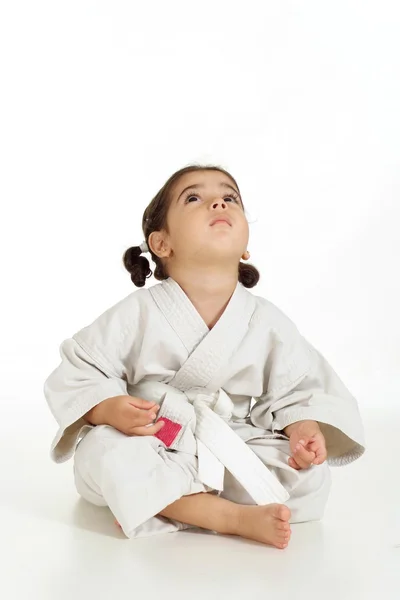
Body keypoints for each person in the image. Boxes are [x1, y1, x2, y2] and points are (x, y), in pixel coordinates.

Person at [44, 164, 365, 549]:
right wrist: (107, 408)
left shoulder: (266, 321)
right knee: (101, 451)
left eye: (230, 198)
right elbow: (82, 368)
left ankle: (160, 502)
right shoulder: (138, 313)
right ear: (161, 244)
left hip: (229, 440)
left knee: (311, 479)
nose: (218, 203)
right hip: (155, 436)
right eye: (194, 198)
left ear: (246, 244)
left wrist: (302, 429)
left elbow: (298, 389)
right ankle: (228, 517)